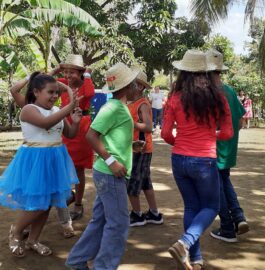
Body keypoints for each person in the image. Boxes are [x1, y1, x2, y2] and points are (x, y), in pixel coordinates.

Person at [161, 50, 233, 270]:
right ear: (207, 73)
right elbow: (228, 133)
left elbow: (165, 134)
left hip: (179, 159)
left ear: (183, 73)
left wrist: (183, 142)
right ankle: (185, 242)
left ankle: (195, 258)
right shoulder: (218, 98)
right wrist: (211, 135)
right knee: (212, 206)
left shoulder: (174, 97)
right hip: (204, 160)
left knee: (192, 206)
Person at [66, 63, 139, 270]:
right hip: (109, 173)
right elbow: (91, 135)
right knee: (118, 224)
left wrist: (130, 145)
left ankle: (76, 260)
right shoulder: (113, 108)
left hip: (109, 173)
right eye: (135, 84)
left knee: (101, 220)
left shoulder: (117, 107)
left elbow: (109, 138)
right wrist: (111, 160)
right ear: (127, 86)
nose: (137, 87)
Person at [0, 72, 80, 257]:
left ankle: (33, 239)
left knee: (49, 202)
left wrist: (74, 122)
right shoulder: (28, 109)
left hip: (55, 158)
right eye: (50, 92)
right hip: (36, 160)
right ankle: (17, 230)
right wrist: (69, 105)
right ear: (36, 92)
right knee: (38, 203)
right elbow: (45, 124)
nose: (54, 96)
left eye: (56, 93)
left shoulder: (56, 111)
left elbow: (69, 134)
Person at [205, 49, 249, 243]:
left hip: (212, 148)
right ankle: (239, 218)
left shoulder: (207, 95)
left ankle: (227, 228)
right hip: (229, 148)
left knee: (217, 188)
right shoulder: (230, 91)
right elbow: (239, 122)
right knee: (225, 182)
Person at [49, 54, 95, 220]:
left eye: (72, 72)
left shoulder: (85, 85)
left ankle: (78, 203)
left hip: (81, 126)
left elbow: (90, 93)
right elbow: (43, 79)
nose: (68, 76)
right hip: (64, 125)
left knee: (78, 168)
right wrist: (57, 69)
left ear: (81, 73)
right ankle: (69, 196)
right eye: (66, 72)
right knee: (61, 164)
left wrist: (88, 73)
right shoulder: (62, 82)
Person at [127, 67, 163, 227]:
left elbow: (148, 127)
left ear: (139, 86)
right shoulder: (134, 103)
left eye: (130, 84)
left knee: (133, 182)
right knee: (146, 181)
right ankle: (154, 213)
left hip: (140, 149)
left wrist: (130, 123)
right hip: (139, 148)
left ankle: (137, 214)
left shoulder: (142, 104)